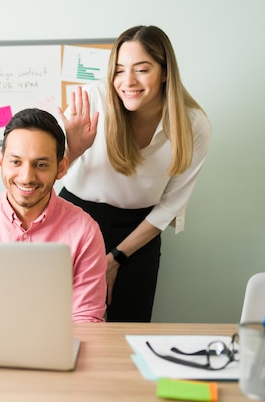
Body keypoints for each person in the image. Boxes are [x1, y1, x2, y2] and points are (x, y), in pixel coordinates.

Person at [56, 25, 211, 322]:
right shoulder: (92, 100)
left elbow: (171, 206)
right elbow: (42, 176)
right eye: (119, 70)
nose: (128, 82)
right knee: (62, 327)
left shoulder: (194, 125)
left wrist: (115, 259)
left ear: (165, 72)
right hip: (76, 220)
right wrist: (72, 150)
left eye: (142, 70)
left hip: (138, 235)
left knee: (129, 333)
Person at [0, 108, 107, 323]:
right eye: (16, 162)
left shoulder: (85, 231)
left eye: (41, 165)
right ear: (0, 162)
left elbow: (86, 317)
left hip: (55, 350)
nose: (27, 177)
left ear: (61, 168)